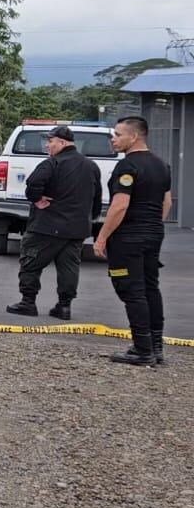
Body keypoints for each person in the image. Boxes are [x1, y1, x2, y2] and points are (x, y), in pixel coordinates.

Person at [94, 116, 173, 366]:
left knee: (131, 290)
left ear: (134, 136)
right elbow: (166, 202)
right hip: (153, 234)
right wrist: (151, 226)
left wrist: (102, 237)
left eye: (118, 135)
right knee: (151, 288)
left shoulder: (127, 166)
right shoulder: (162, 165)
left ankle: (142, 350)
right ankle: (156, 347)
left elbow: (119, 206)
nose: (113, 139)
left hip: (128, 238)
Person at [7, 126, 102, 319]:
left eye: (50, 141)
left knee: (30, 262)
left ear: (63, 143)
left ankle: (28, 302)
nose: (47, 145)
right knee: (69, 267)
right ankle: (64, 306)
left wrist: (37, 200)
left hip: (46, 227)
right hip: (76, 229)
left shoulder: (52, 164)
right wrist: (88, 219)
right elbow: (97, 198)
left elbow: (33, 184)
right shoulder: (91, 166)